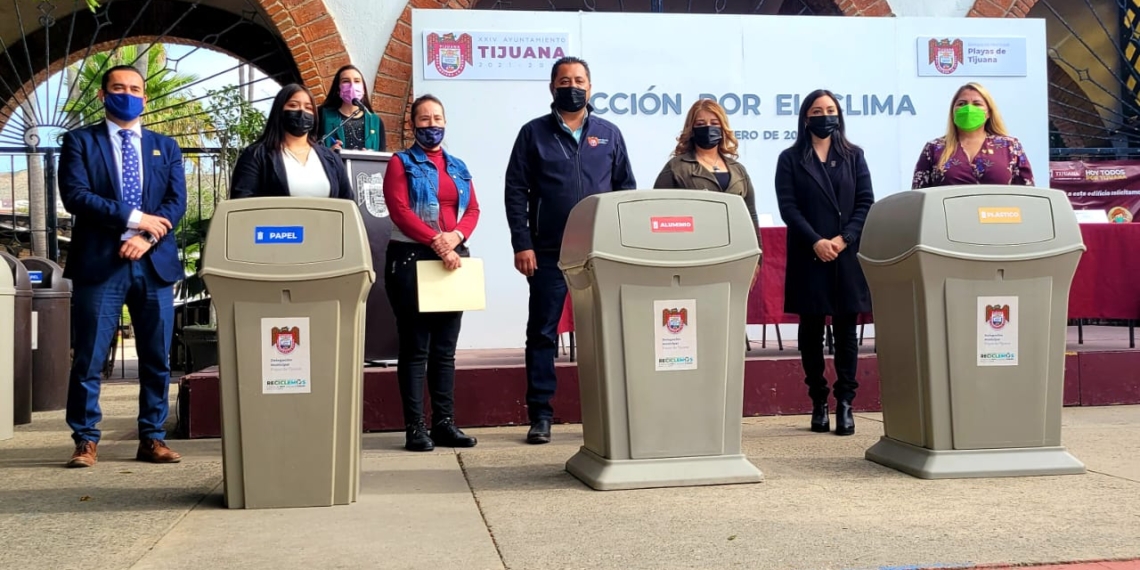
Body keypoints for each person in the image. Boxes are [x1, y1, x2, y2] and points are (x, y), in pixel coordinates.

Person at [59, 65, 187, 467]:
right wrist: (135, 218)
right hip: (100, 264)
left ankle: (152, 437)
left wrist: (147, 237)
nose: (127, 94)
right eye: (118, 88)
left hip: (154, 265)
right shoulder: (80, 142)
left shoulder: (164, 147)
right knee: (89, 357)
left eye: (134, 89)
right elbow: (76, 196)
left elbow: (175, 203)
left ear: (144, 98)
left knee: (156, 358)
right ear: (103, 95)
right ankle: (85, 440)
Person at [504, 56, 636, 444]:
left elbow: (625, 189)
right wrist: (521, 243)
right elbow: (515, 191)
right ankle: (541, 415)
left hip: (600, 252)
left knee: (606, 330)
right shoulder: (533, 134)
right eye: (564, 80)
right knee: (543, 332)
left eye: (579, 80)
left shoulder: (609, 133)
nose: (572, 86)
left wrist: (621, 242)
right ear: (552, 87)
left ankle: (610, 408)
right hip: (547, 251)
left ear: (590, 87)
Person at [774, 88, 875, 437]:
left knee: (847, 331)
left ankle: (845, 403)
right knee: (812, 331)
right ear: (805, 117)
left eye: (830, 109)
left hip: (846, 253)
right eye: (817, 110)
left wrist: (844, 238)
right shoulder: (790, 158)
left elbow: (865, 202)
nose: (825, 115)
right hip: (809, 252)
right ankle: (818, 401)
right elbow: (789, 207)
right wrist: (816, 241)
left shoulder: (854, 156)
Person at [383, 94, 480, 452]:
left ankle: (444, 423)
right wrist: (437, 241)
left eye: (437, 118)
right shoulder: (401, 162)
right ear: (412, 124)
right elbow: (400, 210)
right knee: (415, 348)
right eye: (424, 119)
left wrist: (456, 237)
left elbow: (473, 209)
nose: (432, 125)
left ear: (445, 122)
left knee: (444, 350)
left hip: (454, 259)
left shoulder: (458, 165)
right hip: (411, 259)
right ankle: (416, 428)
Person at [653, 98, 761, 273]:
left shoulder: (738, 170)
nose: (708, 128)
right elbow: (658, 214)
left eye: (714, 123)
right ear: (692, 129)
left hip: (736, 257)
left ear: (723, 127)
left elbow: (751, 216)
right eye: (701, 123)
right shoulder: (676, 167)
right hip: (693, 258)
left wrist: (757, 258)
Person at [230, 83, 354, 200]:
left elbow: (348, 203)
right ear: (279, 111)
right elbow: (242, 204)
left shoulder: (331, 158)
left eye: (308, 107)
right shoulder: (255, 155)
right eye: (293, 105)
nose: (302, 111)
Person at [912, 82, 1034, 189]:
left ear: (988, 113)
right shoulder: (934, 148)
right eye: (961, 103)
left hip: (998, 214)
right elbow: (919, 198)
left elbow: (1027, 194)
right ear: (953, 111)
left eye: (977, 104)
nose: (969, 108)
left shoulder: (1010, 147)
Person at [318, 64, 387, 152]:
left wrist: (371, 156)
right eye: (346, 81)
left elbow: (382, 156)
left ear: (363, 89)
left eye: (357, 81)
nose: (352, 86)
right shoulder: (323, 116)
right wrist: (329, 152)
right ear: (338, 90)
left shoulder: (375, 121)